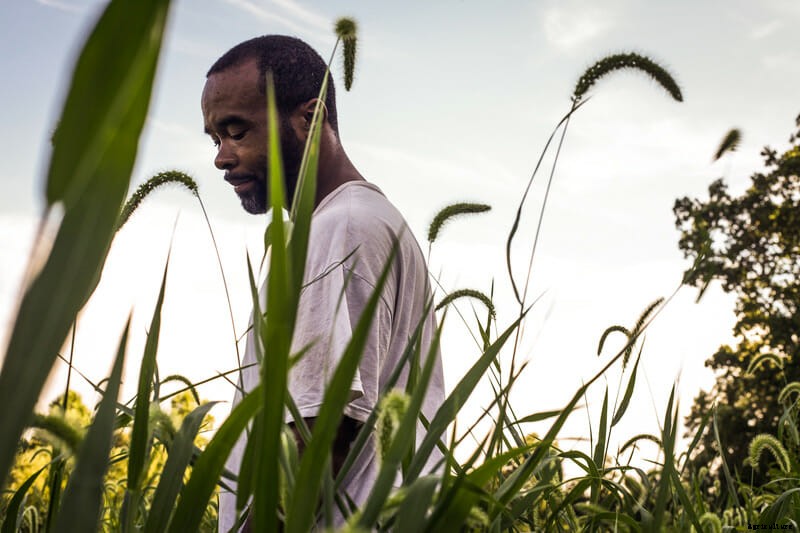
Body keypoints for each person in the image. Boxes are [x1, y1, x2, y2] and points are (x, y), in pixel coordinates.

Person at [201, 35, 445, 530]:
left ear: (309, 119)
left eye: (237, 131)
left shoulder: (345, 227)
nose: (222, 158)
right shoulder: (352, 223)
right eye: (215, 138)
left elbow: (319, 439)